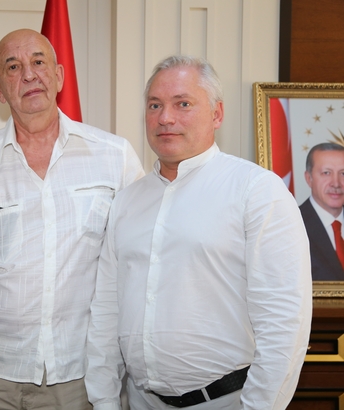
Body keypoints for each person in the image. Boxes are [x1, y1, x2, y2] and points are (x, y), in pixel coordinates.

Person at [0, 28, 144, 409]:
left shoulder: (115, 156)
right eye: (13, 67)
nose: (29, 74)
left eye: (39, 62)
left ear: (58, 76)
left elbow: (141, 251)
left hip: (78, 373)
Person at [85, 55, 312, 410]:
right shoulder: (127, 201)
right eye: (155, 105)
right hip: (142, 402)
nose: (165, 118)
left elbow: (285, 321)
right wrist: (104, 401)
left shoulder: (256, 191)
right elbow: (106, 312)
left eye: (183, 104)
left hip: (229, 401)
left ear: (217, 114)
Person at [300, 142, 344, 280]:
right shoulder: (293, 225)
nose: (336, 183)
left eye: (343, 173)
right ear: (309, 178)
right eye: (326, 173)